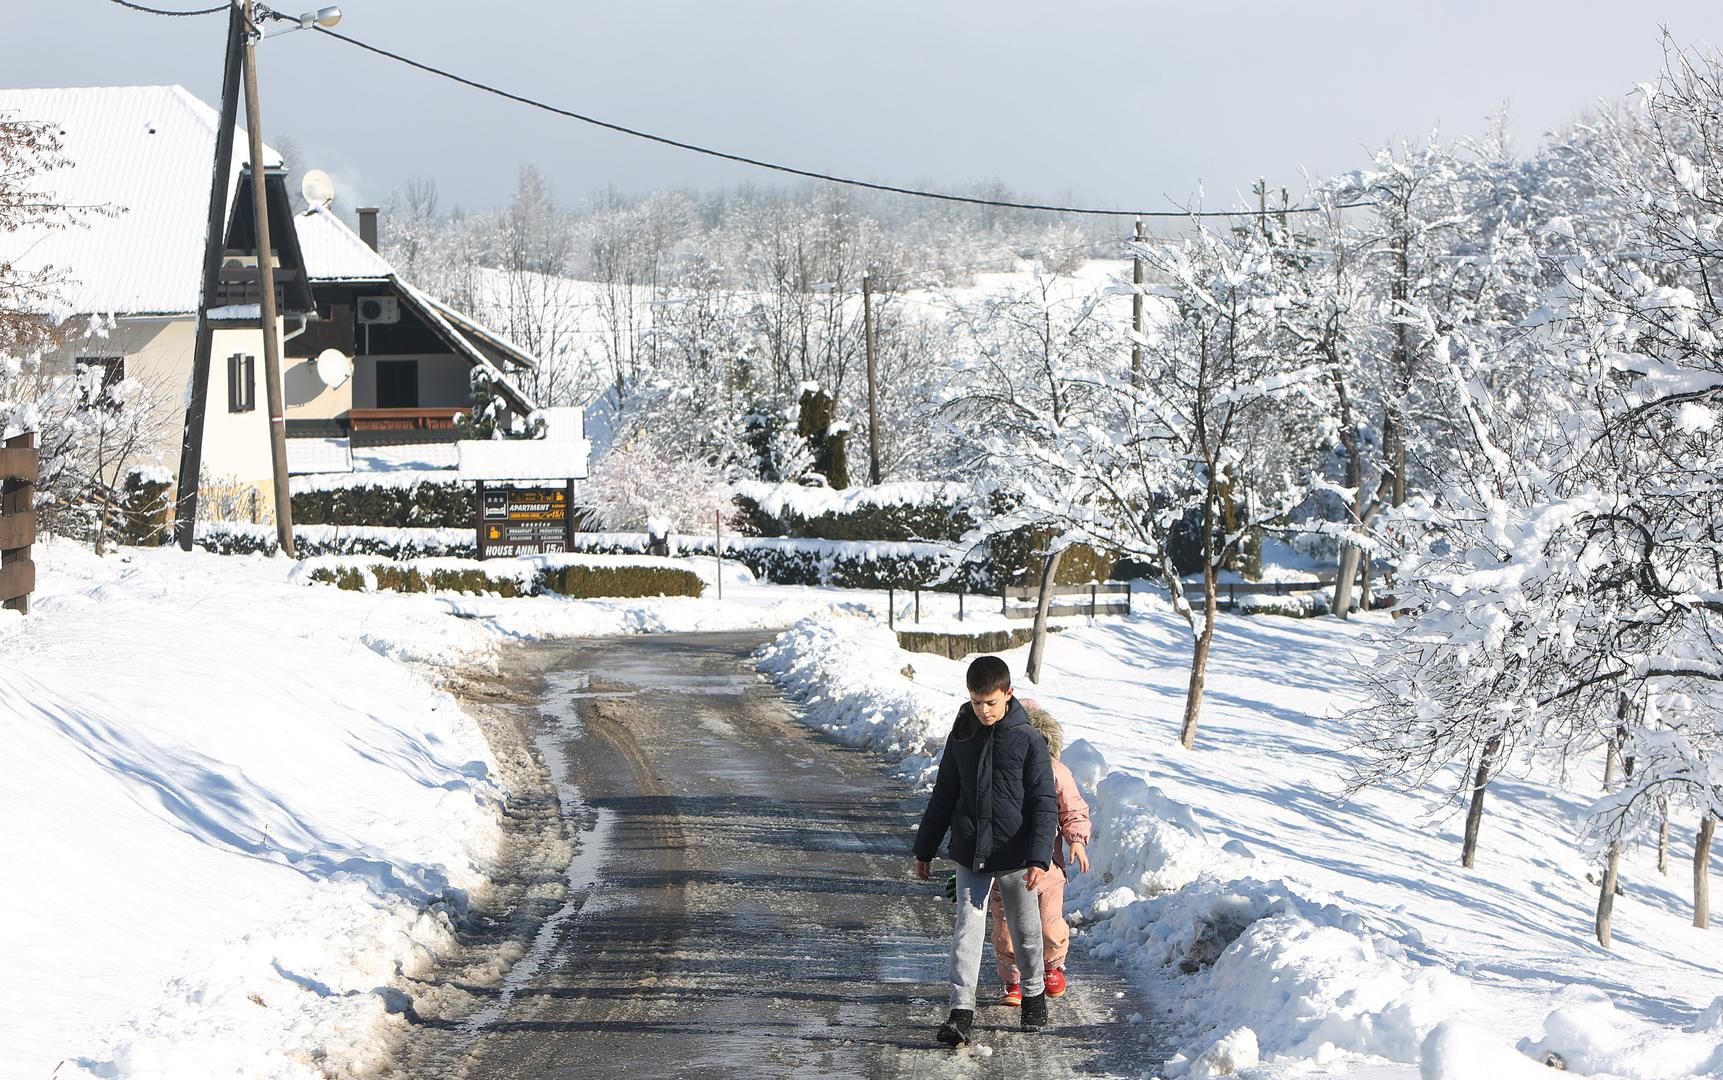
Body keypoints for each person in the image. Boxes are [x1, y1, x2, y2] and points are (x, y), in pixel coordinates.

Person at [913, 655, 1058, 1046]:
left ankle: (1032, 995)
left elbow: (1045, 801)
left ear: (1008, 694)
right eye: (977, 702)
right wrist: (925, 847)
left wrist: (1038, 856)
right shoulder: (962, 733)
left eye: (991, 702)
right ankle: (961, 1010)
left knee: (1025, 929)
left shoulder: (1027, 739)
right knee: (967, 927)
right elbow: (945, 793)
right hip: (971, 848)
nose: (984, 710)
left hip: (1016, 852)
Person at [988, 700, 1091, 1006]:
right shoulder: (997, 770)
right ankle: (1014, 979)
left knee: (1049, 927)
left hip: (1047, 867)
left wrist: (1076, 839)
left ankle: (1051, 964)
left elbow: (1072, 807)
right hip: (1004, 864)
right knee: (1007, 928)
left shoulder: (1055, 771)